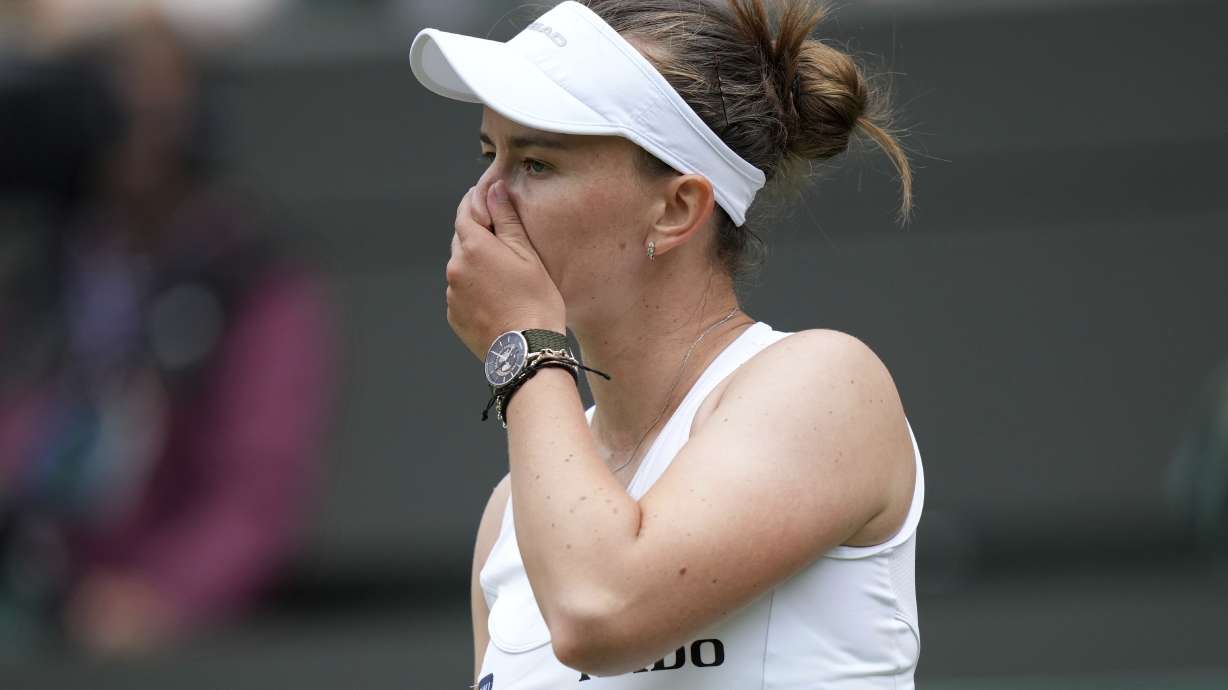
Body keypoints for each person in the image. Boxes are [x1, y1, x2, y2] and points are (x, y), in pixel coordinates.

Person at [410, 1, 921, 687]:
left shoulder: (826, 383)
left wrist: (523, 344)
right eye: (488, 154)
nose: (482, 201)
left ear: (678, 208)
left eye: (535, 163)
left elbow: (598, 611)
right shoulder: (512, 512)